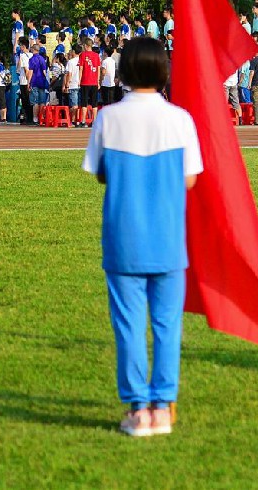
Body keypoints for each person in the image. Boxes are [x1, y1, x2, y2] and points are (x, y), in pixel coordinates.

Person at [81, 36, 201, 438]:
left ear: (126, 71)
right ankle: (163, 406)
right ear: (164, 71)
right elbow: (190, 179)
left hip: (123, 237)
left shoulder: (108, 118)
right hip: (168, 237)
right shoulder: (180, 119)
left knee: (129, 325)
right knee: (167, 325)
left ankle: (137, 410)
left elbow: (99, 172)